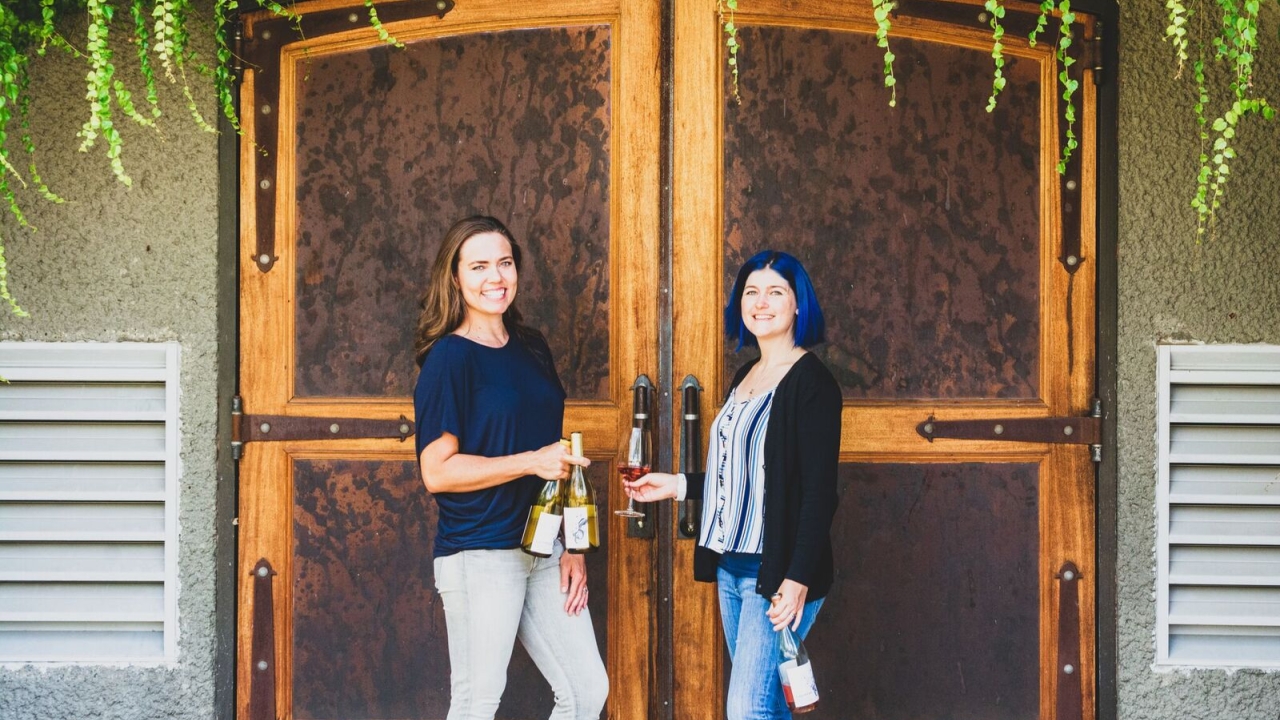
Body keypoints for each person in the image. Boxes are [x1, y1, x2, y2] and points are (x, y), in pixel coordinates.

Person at [624, 250, 841, 720]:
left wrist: (797, 579)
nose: (761, 303)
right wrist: (677, 484)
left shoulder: (813, 384)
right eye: (751, 292)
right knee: (766, 708)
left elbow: (820, 492)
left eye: (775, 292)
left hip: (776, 572)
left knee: (747, 711)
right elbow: (742, 474)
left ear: (799, 304)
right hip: (731, 567)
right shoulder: (747, 376)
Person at [414, 215, 608, 720]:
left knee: (587, 692)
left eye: (504, 263)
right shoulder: (449, 359)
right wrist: (530, 462)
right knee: (477, 705)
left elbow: (555, 457)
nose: (495, 277)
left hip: (544, 550)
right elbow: (437, 471)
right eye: (478, 266)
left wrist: (573, 544)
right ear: (454, 277)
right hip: (481, 553)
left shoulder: (532, 347)